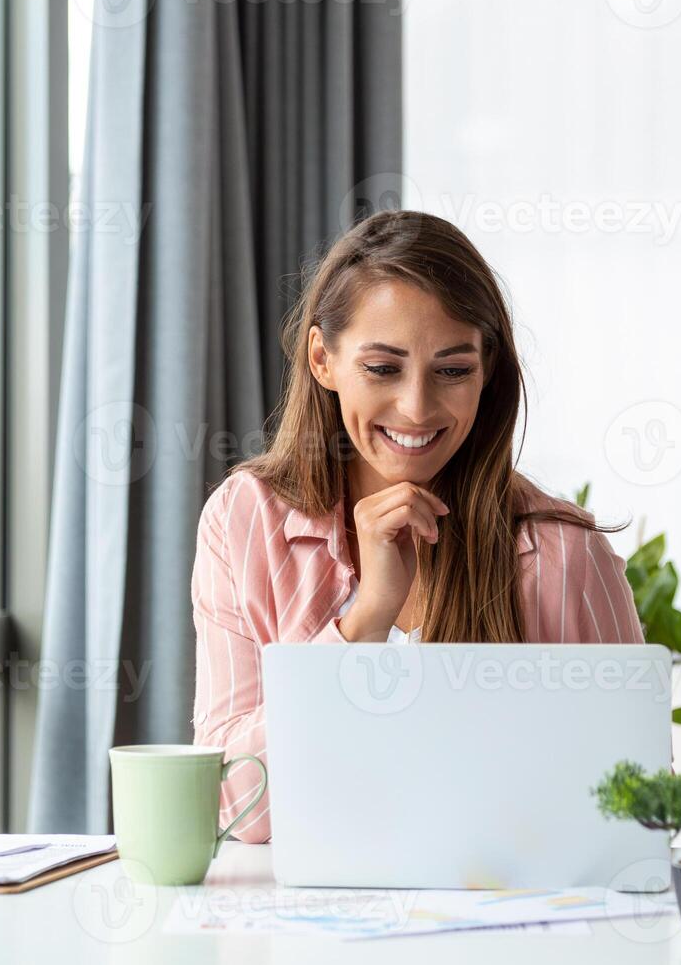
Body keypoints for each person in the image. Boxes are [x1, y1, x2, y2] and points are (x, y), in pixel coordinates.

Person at [190, 210, 645, 843]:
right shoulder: (246, 522)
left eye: (453, 370)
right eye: (382, 368)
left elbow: (635, 812)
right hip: (300, 932)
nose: (417, 407)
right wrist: (367, 619)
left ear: (487, 371)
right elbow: (235, 808)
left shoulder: (562, 554)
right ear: (322, 359)